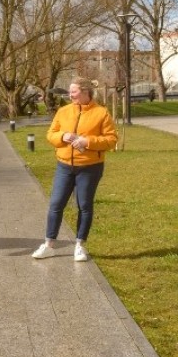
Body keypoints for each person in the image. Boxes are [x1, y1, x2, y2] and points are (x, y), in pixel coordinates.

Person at [32, 78, 117, 262]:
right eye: (70, 92)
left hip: (90, 168)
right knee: (56, 204)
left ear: (86, 92)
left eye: (74, 92)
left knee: (84, 206)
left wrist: (88, 141)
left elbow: (111, 140)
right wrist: (63, 136)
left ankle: (79, 245)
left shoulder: (101, 113)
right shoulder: (63, 112)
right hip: (64, 166)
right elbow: (50, 135)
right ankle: (49, 245)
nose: (70, 95)